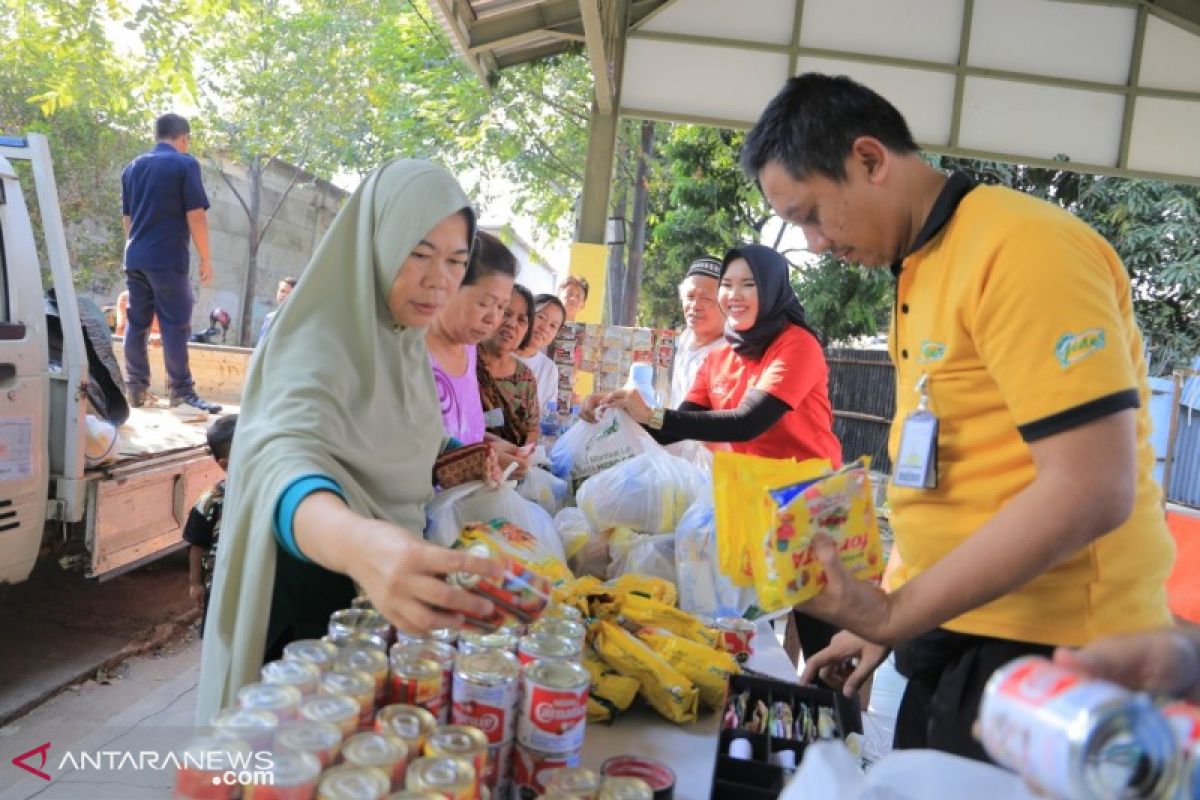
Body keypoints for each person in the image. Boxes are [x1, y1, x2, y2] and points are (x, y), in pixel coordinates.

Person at [743, 74, 1174, 764]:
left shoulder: (1024, 247)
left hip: (1056, 661)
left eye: (812, 214)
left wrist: (895, 613)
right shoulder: (921, 266)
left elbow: (1091, 488)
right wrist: (892, 617)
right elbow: (956, 471)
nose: (816, 244)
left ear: (870, 159)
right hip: (959, 636)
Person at [197, 160, 502, 721]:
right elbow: (282, 463)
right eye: (419, 253)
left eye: (456, 261)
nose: (440, 279)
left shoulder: (399, 336)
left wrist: (464, 452)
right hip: (309, 602)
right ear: (378, 241)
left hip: (384, 593)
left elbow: (400, 431)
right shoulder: (316, 337)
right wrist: (362, 544)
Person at [585, 243, 843, 663]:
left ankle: (842, 725)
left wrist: (653, 415)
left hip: (806, 503)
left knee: (824, 640)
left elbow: (746, 421)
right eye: (727, 284)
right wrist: (615, 408)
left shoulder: (796, 346)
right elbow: (675, 429)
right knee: (740, 629)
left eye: (748, 284)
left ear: (774, 288)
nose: (733, 295)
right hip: (743, 501)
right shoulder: (720, 356)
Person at [120, 113, 221, 413]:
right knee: (175, 324)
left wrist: (136, 247)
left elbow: (127, 219)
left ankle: (136, 389)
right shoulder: (184, 163)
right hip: (167, 259)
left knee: (136, 323)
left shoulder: (132, 167)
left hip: (135, 256)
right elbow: (196, 214)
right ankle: (181, 392)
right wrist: (206, 258)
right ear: (184, 137)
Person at [427, 232, 516, 444]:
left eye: (502, 307)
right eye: (484, 303)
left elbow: (461, 429)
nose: (493, 319)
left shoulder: (469, 348)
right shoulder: (411, 354)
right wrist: (474, 459)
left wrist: (490, 445)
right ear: (447, 287)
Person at [184, 414, 238, 632]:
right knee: (218, 630)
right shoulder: (211, 501)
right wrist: (195, 582)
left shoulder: (266, 492)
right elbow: (196, 543)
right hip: (220, 585)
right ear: (225, 464)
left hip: (254, 580)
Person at [478, 284, 540, 448]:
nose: (512, 324)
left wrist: (519, 458)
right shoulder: (464, 361)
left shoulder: (525, 377)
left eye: (522, 320)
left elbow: (532, 429)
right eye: (506, 313)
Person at [668, 256, 726, 408]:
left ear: (726, 304)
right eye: (690, 297)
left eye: (706, 299)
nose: (695, 306)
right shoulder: (679, 342)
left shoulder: (731, 355)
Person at [518, 294, 567, 410]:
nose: (545, 328)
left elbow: (546, 416)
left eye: (553, 326)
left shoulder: (549, 369)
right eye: (541, 317)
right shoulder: (498, 352)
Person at [256, 277, 297, 345]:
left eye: (288, 293)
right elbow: (261, 344)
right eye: (282, 291)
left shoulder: (299, 318)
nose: (283, 295)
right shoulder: (270, 318)